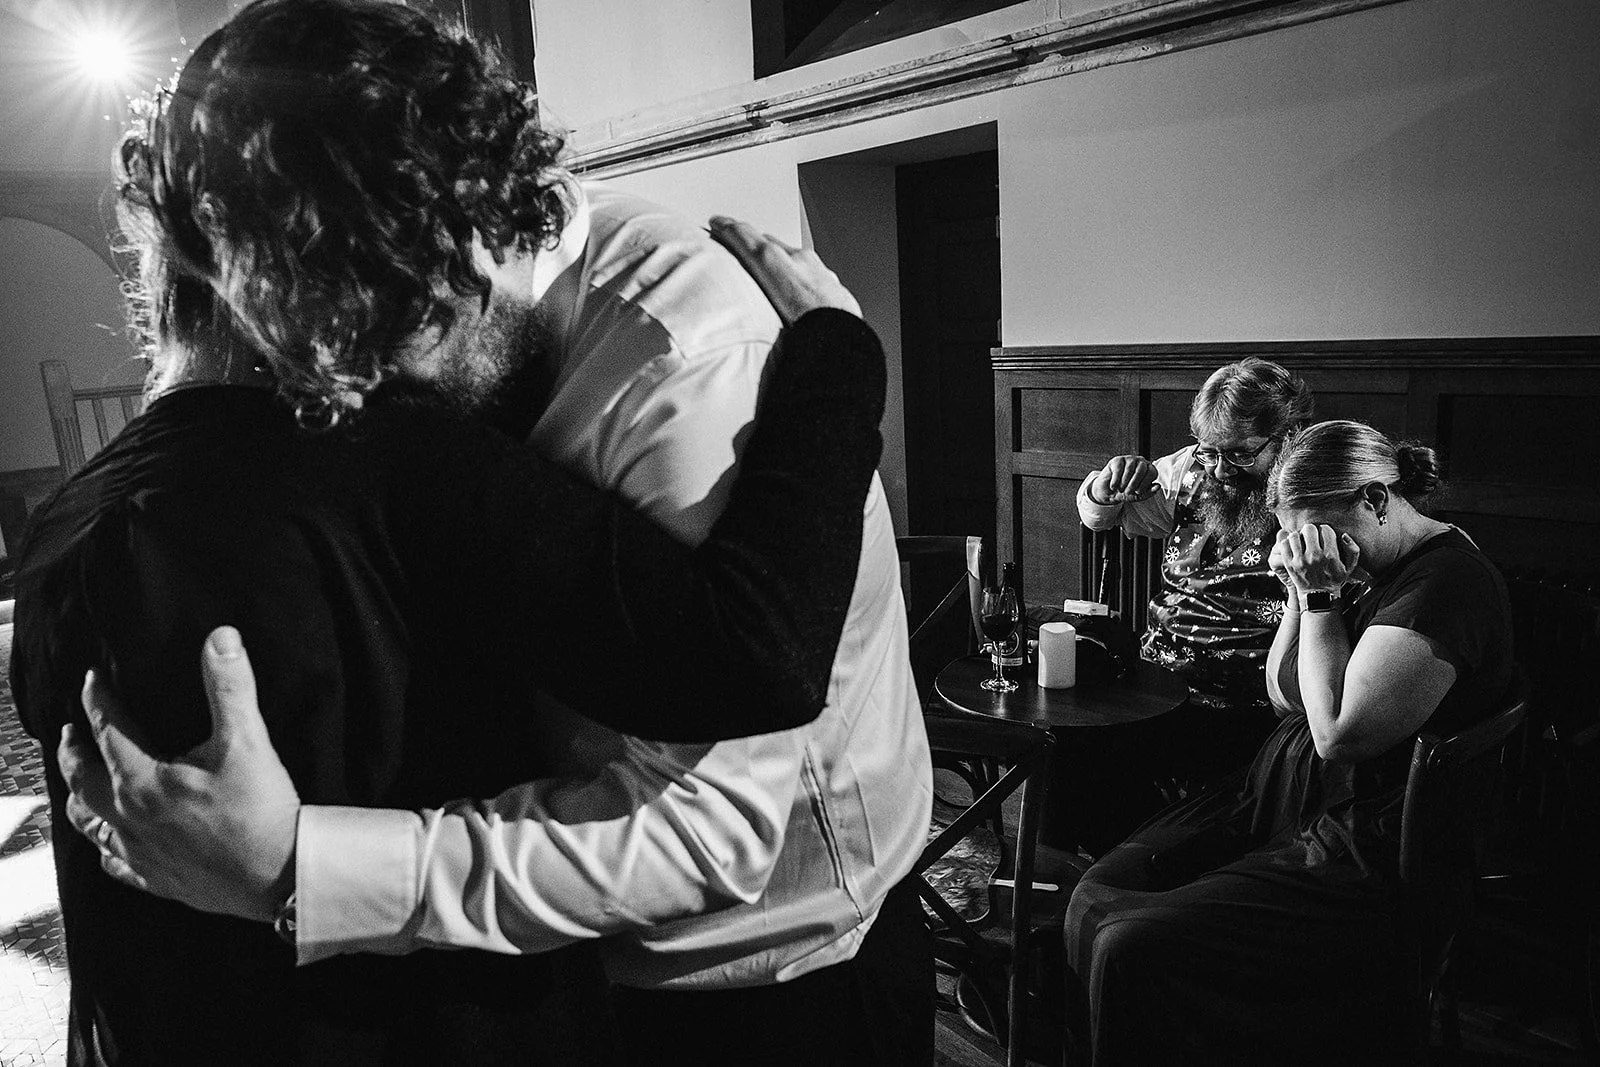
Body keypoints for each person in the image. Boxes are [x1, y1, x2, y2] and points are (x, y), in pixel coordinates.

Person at [44, 2, 935, 1064]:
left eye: (386, 339)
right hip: (578, 969)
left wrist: (299, 866)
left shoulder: (683, 365)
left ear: (472, 229)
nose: (360, 394)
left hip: (773, 979)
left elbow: (721, 796)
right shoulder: (439, 339)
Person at [1062, 419, 1516, 1065]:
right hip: (1281, 797)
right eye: (1293, 539)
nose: (1306, 552)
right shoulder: (1362, 559)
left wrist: (1321, 595)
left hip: (1363, 839)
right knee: (1097, 890)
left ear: (1375, 499)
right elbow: (1283, 692)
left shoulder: (1443, 585)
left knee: (1128, 942)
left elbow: (1337, 733)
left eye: (1313, 534)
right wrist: (1300, 595)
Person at [1074, 358, 1314, 833]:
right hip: (1157, 679)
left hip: (1248, 704)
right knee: (1067, 750)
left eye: (1241, 454)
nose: (1221, 470)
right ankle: (1109, 861)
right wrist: (1106, 485)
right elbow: (1100, 516)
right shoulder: (1191, 468)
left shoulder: (1316, 484)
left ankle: (1151, 858)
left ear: (1289, 435)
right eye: (1211, 452)